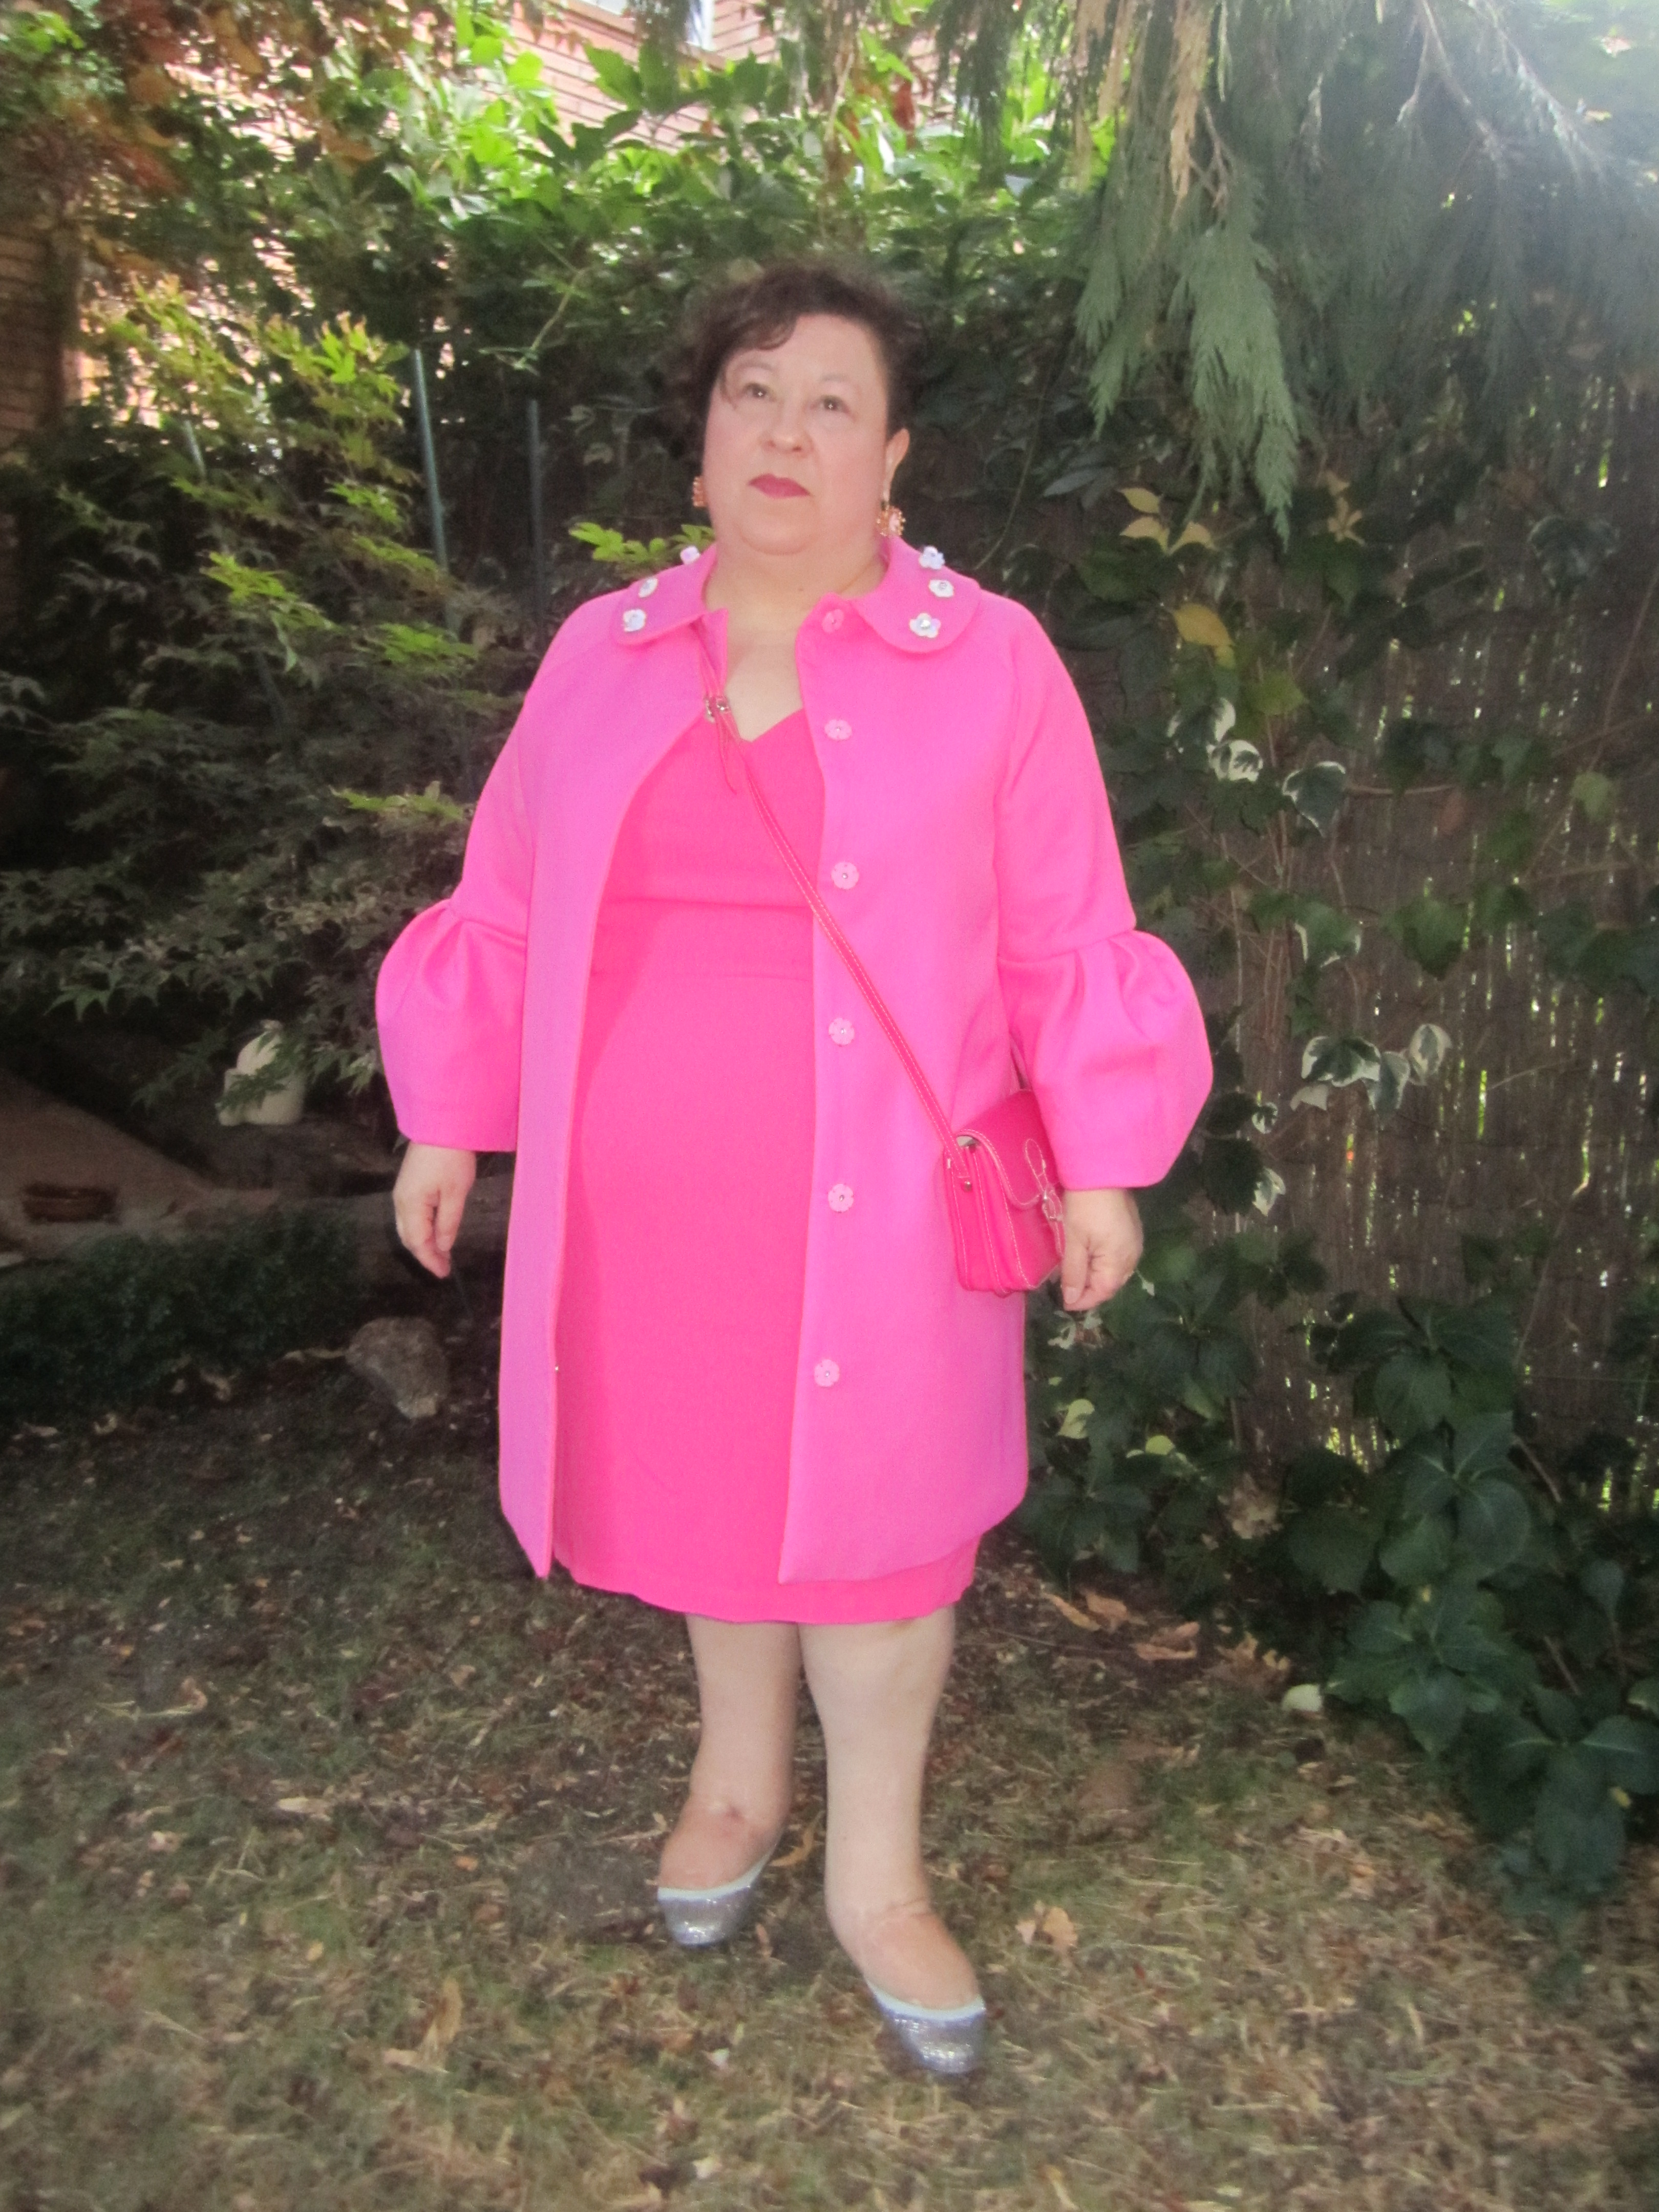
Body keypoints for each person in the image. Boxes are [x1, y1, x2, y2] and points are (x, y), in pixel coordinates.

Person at [377, 260, 1211, 2076]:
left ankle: (879, 1879)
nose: (786, 431)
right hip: (647, 1203)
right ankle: (736, 1788)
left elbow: (1066, 927)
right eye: (752, 392)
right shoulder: (602, 656)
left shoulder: (991, 663)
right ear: (700, 443)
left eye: (833, 402)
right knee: (715, 1500)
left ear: (892, 457)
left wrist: (1101, 1161)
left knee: (885, 1541)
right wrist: (448, 1115)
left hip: (890, 1200)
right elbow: (504, 901)